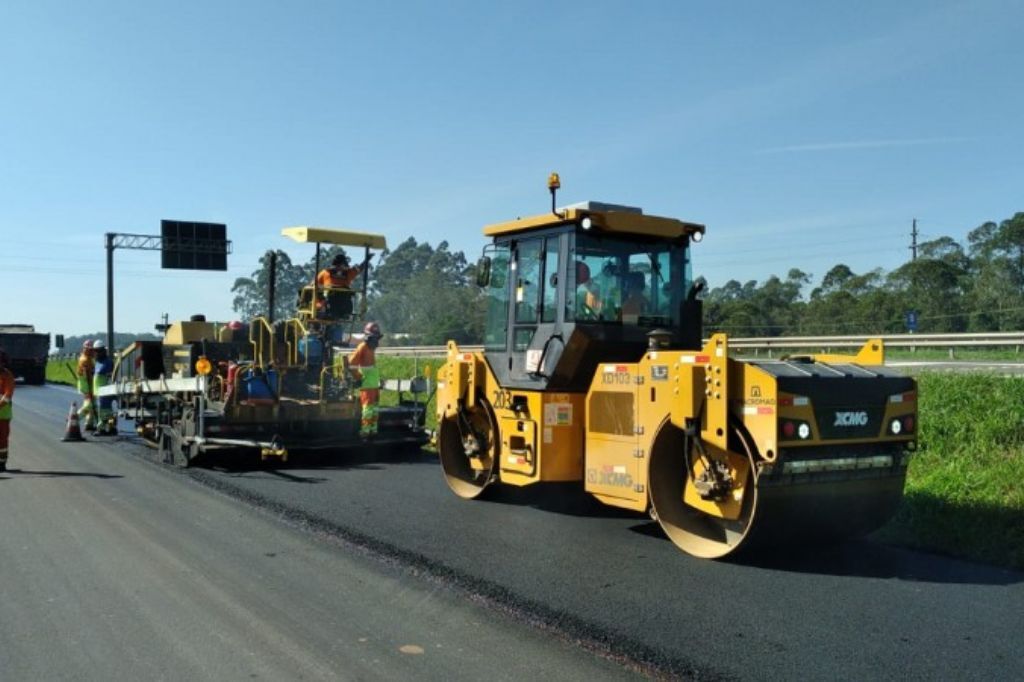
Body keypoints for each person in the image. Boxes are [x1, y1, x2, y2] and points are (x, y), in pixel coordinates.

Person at [348, 321, 383, 437]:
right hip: (368, 385)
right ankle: (366, 431)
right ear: (368, 337)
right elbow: (352, 364)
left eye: (377, 338)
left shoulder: (371, 348)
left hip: (374, 385)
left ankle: (373, 429)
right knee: (368, 409)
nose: (376, 341)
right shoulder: (362, 347)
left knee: (374, 409)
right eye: (375, 338)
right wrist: (358, 377)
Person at [314, 253, 370, 318]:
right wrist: (366, 260)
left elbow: (314, 284)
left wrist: (366, 260)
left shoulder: (326, 272)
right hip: (340, 305)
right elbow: (359, 269)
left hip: (334, 305)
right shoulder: (346, 272)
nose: (340, 268)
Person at [93, 340, 115, 436]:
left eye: (99, 351)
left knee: (103, 411)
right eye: (96, 351)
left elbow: (108, 374)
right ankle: (111, 427)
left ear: (103, 351)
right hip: (99, 390)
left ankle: (100, 428)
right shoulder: (98, 362)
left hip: (105, 390)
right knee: (108, 411)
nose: (97, 353)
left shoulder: (108, 362)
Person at [76, 339, 97, 431]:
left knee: (92, 403)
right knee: (89, 405)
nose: (93, 352)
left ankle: (89, 423)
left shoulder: (86, 358)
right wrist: (91, 389)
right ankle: (75, 418)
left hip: (85, 383)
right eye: (91, 350)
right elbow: (88, 375)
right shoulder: (86, 360)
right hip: (86, 384)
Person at [0, 349, 15, 472]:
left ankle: (2, 462)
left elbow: (7, 395)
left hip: (3, 413)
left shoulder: (7, 376)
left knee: (2, 438)